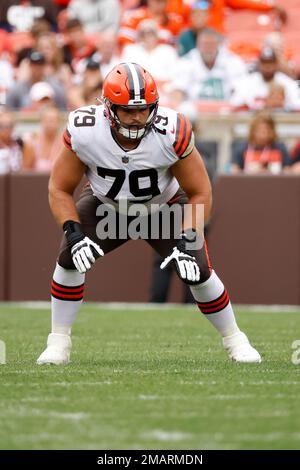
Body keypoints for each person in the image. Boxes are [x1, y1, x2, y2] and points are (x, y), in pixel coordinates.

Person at [36, 62, 261, 365]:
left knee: (197, 270)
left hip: (161, 208)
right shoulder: (85, 130)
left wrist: (188, 237)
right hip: (106, 207)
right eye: (127, 110)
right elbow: (59, 188)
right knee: (70, 257)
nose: (137, 117)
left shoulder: (171, 130)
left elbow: (200, 191)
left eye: (143, 109)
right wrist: (72, 231)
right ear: (107, 108)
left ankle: (235, 339)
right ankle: (58, 341)